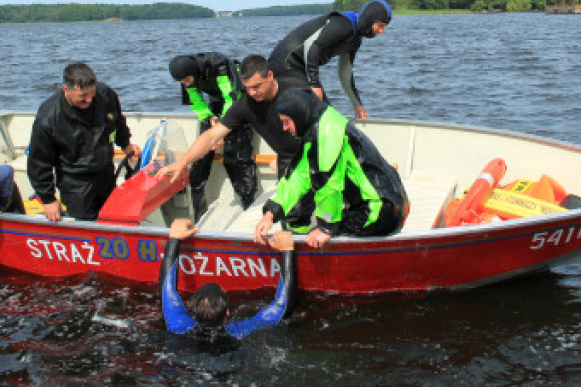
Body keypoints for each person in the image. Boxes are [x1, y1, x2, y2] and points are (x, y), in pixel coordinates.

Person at [254, 87, 409, 249]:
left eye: (287, 121)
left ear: (299, 116)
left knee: (315, 236)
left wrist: (326, 228)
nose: (284, 128)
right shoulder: (321, 122)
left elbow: (328, 185)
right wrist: (270, 214)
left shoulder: (326, 134)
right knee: (319, 229)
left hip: (379, 211)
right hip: (389, 202)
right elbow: (298, 176)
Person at [157, 54, 304, 184]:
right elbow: (210, 134)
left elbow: (316, 128)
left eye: (257, 86)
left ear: (270, 75)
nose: (252, 93)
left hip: (309, 155)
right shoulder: (245, 105)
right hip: (288, 162)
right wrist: (182, 163)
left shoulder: (297, 91)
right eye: (247, 88)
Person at [27, 62, 142, 222]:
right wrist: (48, 199)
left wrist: (126, 144)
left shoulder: (105, 95)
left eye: (91, 93)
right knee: (86, 224)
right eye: (82, 96)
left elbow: (117, 121)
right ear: (66, 90)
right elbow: (39, 163)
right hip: (76, 183)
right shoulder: (48, 119)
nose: (89, 99)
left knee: (113, 219)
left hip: (105, 174)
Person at [160, 218, 295, 343]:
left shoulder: (179, 326)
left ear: (193, 311)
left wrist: (174, 238)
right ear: (227, 313)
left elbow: (167, 290)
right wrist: (287, 249)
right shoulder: (239, 332)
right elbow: (282, 307)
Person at [267, 0, 392, 120]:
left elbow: (345, 72)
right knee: (321, 112)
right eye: (380, 25)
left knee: (325, 111)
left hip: (299, 67)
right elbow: (311, 45)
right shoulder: (344, 24)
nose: (382, 31)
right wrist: (314, 83)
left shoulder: (355, 41)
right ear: (370, 19)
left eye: (384, 27)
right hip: (285, 62)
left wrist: (356, 103)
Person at [168, 52, 256, 214]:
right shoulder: (186, 76)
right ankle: (198, 207)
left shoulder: (218, 64)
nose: (186, 84)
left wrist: (221, 129)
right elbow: (196, 102)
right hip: (216, 102)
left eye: (187, 80)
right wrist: (209, 118)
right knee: (201, 156)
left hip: (238, 98)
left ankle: (247, 201)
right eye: (182, 82)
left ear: (192, 72)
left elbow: (230, 96)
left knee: (236, 157)